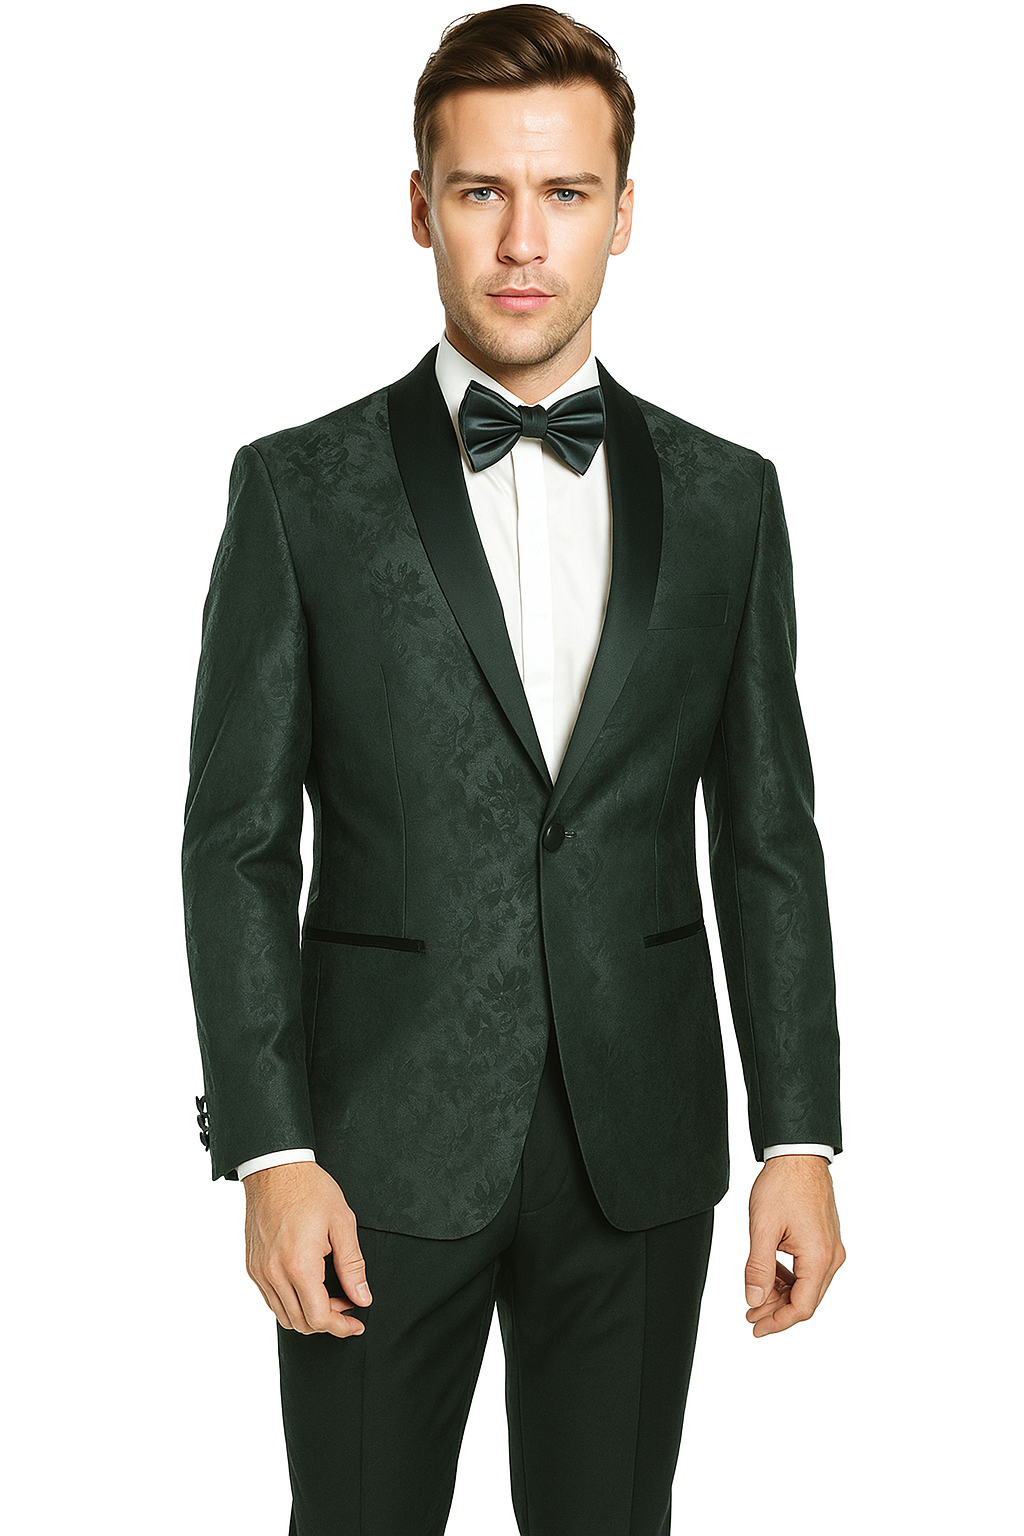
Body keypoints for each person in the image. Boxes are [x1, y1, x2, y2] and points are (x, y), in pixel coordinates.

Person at [182, 7, 845, 1532]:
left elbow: (768, 837)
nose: (523, 241)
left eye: (566, 193)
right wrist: (271, 1148)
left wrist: (798, 1136)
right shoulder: (298, 492)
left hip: (643, 1144)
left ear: (626, 210)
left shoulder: (731, 500)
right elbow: (234, 843)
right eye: (481, 191)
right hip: (371, 1153)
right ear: (421, 207)